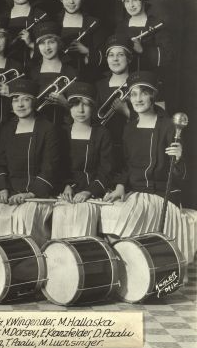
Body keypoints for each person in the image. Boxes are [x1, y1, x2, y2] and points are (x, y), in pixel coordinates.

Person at [100, 72, 191, 257]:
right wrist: (119, 187)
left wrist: (180, 158)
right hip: (135, 192)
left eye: (143, 93)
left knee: (128, 222)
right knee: (108, 220)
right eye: (133, 94)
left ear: (153, 96)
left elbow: (181, 174)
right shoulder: (130, 127)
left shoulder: (168, 126)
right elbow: (127, 165)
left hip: (160, 195)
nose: (138, 99)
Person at [0, 78, 59, 247]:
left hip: (37, 196)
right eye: (15, 99)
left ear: (34, 102)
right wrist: (3, 189)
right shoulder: (7, 129)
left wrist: (29, 194)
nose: (20, 104)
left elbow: (50, 167)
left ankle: (31, 263)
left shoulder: (48, 129)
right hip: (11, 193)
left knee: (25, 216)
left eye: (25, 99)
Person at [52, 82, 113, 239]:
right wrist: (66, 186)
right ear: (69, 107)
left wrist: (89, 191)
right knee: (61, 213)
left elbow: (106, 169)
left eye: (86, 105)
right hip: (66, 192)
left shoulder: (102, 133)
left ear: (93, 107)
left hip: (93, 191)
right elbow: (56, 167)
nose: (80, 110)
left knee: (83, 214)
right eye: (75, 104)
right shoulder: (61, 132)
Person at [95, 34, 134, 171]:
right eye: (111, 55)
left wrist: (126, 111)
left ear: (129, 59)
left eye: (120, 55)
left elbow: (152, 120)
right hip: (105, 149)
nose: (115, 59)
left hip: (133, 146)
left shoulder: (137, 85)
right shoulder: (99, 86)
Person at [117, 0, 171, 79]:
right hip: (126, 79)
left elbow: (167, 57)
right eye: (127, 1)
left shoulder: (157, 25)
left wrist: (143, 50)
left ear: (143, 1)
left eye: (135, 0)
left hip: (151, 78)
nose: (131, 5)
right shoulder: (120, 27)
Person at [54, 0, 104, 81]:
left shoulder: (93, 22)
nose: (71, 2)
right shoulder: (54, 22)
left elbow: (103, 54)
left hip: (86, 75)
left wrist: (86, 50)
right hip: (59, 74)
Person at [0, 0, 48, 70]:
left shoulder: (41, 16)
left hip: (35, 69)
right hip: (8, 70)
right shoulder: (2, 17)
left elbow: (51, 49)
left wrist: (30, 44)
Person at [29, 21, 77, 127]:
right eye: (42, 43)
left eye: (51, 42)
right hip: (36, 126)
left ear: (59, 43)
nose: (47, 48)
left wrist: (65, 104)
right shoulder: (32, 73)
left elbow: (80, 110)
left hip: (64, 127)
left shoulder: (71, 72)